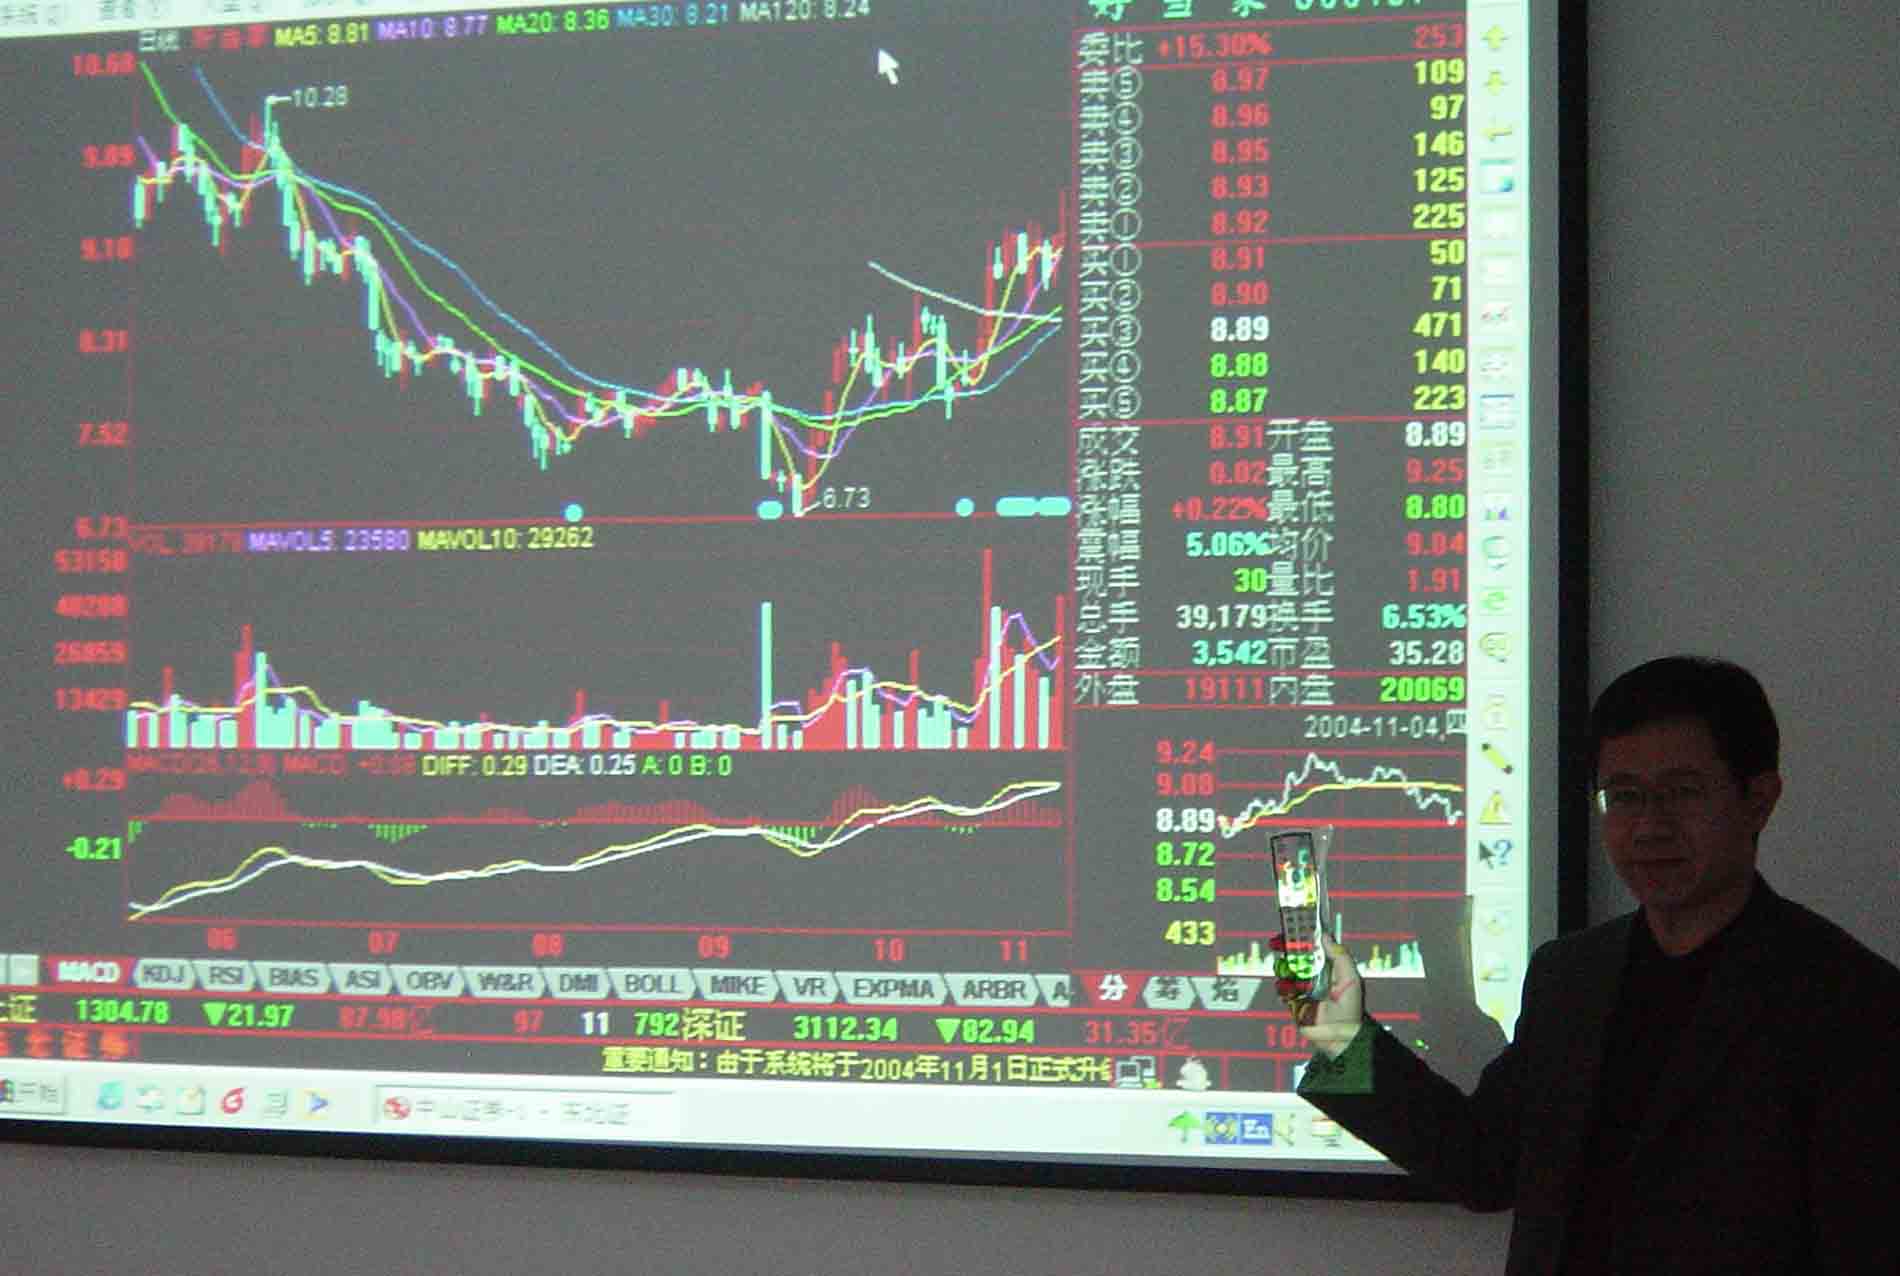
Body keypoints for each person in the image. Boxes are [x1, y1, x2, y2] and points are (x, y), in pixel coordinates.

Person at [1287, 656, 1900, 1275]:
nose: (1649, 826)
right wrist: (1342, 1040)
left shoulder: (1851, 1003)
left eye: (1683, 792)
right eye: (1624, 796)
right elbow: (1484, 1164)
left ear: (1758, 800)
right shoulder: (1571, 977)